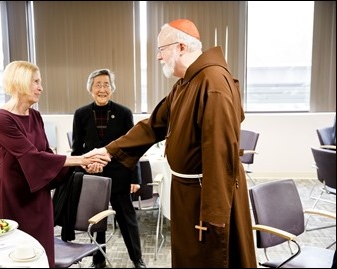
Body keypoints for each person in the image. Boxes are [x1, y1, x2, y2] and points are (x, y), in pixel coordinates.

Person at [88, 19, 257, 267]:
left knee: (210, 258)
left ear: (180, 47)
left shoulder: (213, 83)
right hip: (187, 192)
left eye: (161, 49)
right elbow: (152, 125)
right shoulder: (186, 83)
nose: (158, 57)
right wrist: (108, 150)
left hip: (205, 195)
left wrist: (215, 215)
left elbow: (220, 152)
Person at [0, 60, 110, 268]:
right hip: (15, 199)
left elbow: (46, 155)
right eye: (36, 82)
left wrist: (80, 165)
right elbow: (32, 158)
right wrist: (81, 159)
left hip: (39, 198)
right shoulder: (1, 120)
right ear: (20, 82)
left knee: (43, 254)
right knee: (16, 258)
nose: (41, 87)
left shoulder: (35, 116)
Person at [71, 68, 146, 268]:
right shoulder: (81, 114)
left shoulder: (124, 113)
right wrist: (81, 172)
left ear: (112, 89)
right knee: (96, 220)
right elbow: (77, 148)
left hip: (120, 175)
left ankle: (136, 258)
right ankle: (98, 258)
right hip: (93, 176)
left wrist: (135, 178)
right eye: (98, 85)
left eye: (106, 85)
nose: (102, 89)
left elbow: (133, 148)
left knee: (127, 219)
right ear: (90, 89)